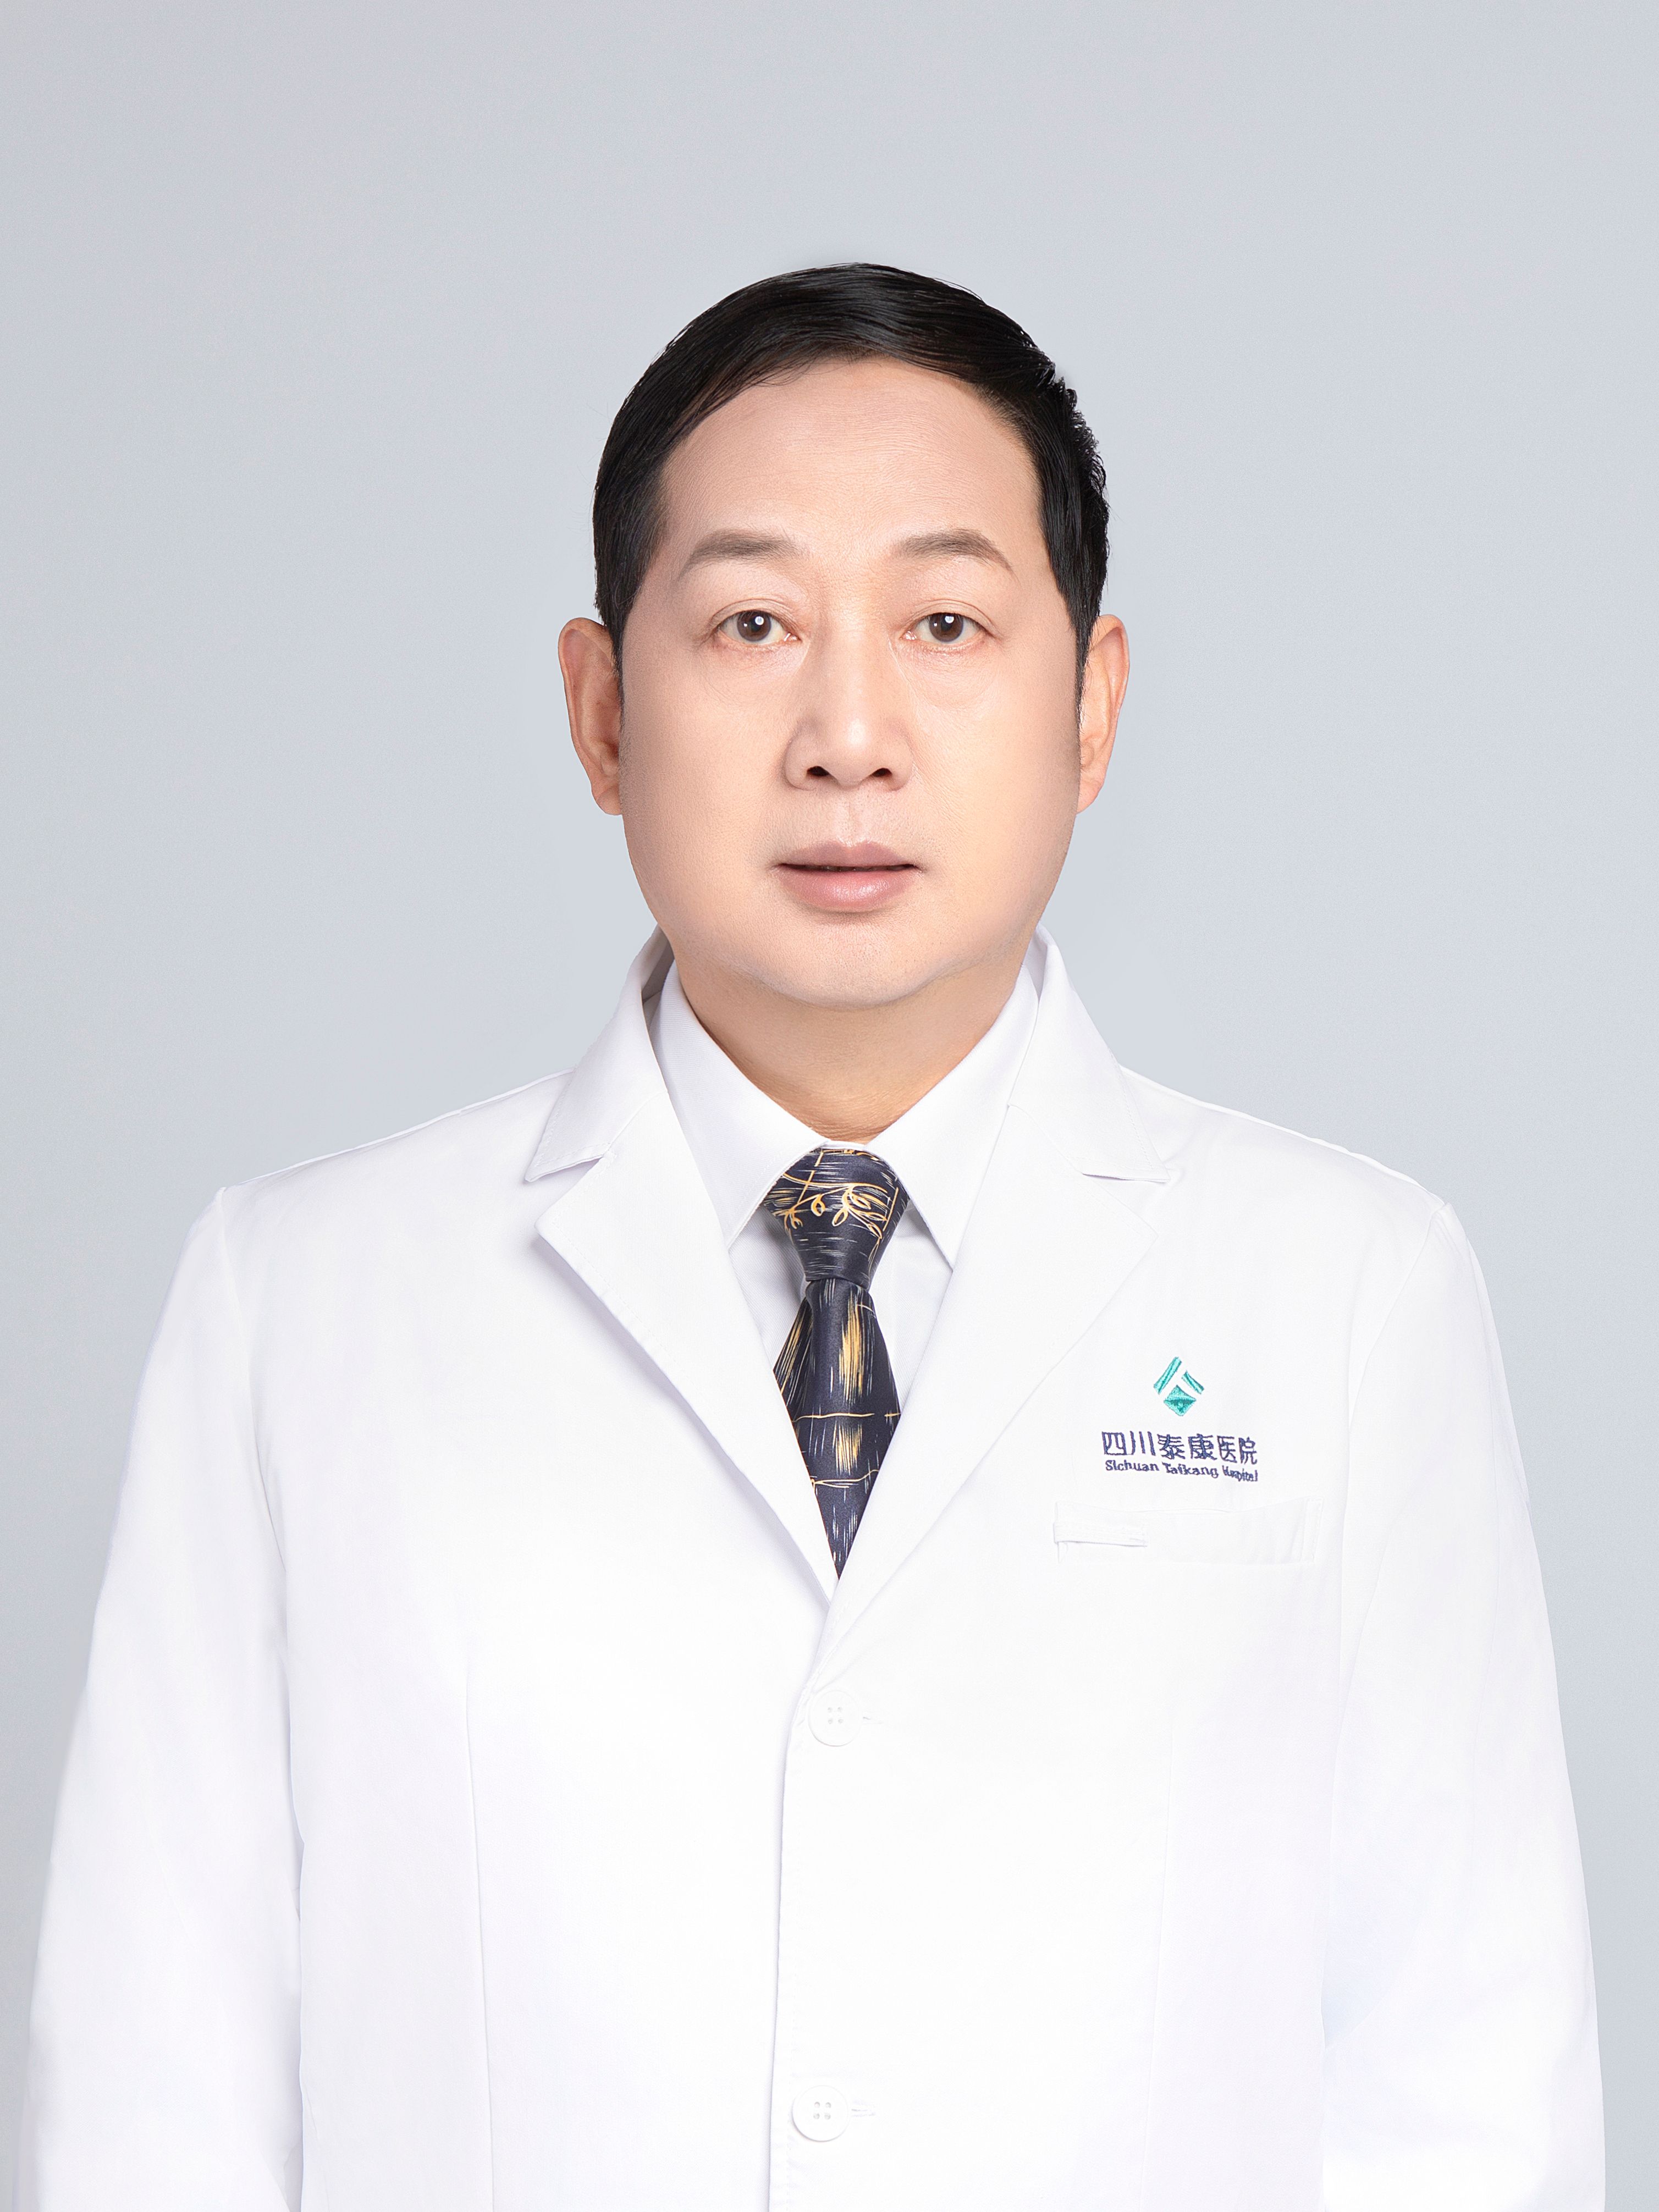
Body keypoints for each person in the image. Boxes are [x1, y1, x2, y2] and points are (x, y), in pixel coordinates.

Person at [18, 264, 1601, 2210]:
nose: (847, 735)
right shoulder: (300, 1298)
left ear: (1091, 704)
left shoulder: (1347, 1292)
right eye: (750, 624)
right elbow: (158, 2089)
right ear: (603, 711)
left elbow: (1465, 2089)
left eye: (945, 624)